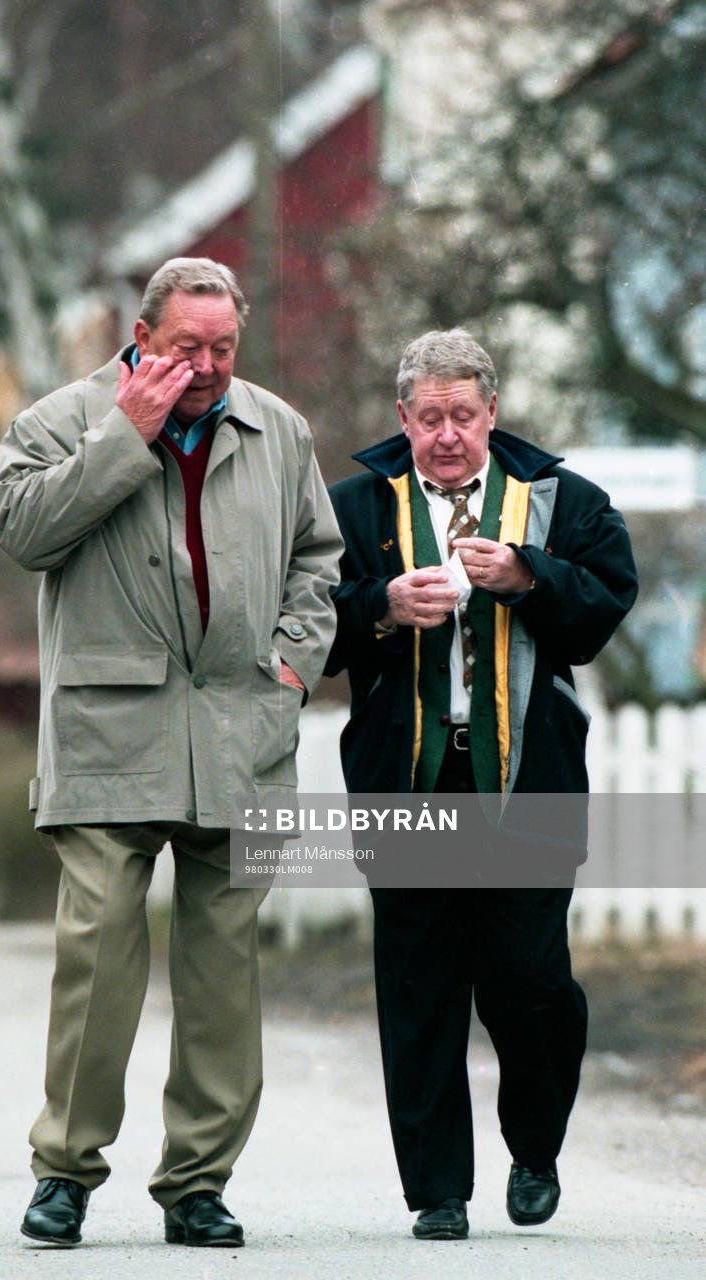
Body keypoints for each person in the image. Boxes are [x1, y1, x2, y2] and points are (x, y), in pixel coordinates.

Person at [0, 256, 342, 1248]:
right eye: (189, 346)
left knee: (224, 969)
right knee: (97, 951)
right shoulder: (61, 418)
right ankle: (64, 1169)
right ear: (140, 337)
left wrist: (292, 662)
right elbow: (21, 528)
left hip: (242, 729)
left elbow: (319, 555)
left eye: (224, 347)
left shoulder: (280, 429)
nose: (209, 365)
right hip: (110, 727)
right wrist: (124, 436)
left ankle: (198, 1181)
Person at [326, 329, 637, 1241]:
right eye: (430, 417)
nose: (448, 433)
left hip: (527, 776)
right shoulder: (354, 507)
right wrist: (379, 606)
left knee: (529, 979)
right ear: (403, 420)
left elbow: (602, 607)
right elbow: (307, 620)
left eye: (464, 414)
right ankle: (437, 1190)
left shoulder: (558, 500)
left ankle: (533, 1146)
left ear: (492, 414)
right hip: (405, 776)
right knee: (419, 986)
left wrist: (530, 575)